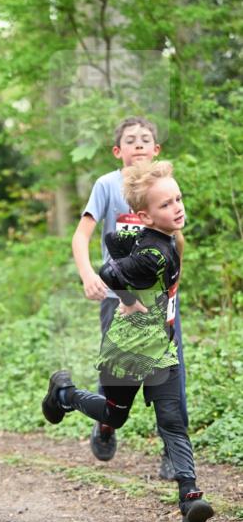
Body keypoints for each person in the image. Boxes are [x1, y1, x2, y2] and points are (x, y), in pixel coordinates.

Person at [43, 160, 213, 522]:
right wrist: (128, 300)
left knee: (171, 419)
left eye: (178, 198)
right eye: (165, 205)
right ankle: (64, 394)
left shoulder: (162, 239)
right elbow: (107, 270)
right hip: (129, 351)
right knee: (114, 414)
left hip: (160, 349)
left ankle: (189, 494)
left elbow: (112, 240)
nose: (177, 207)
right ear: (145, 216)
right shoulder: (154, 254)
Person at [71, 117, 188, 478]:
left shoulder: (164, 189)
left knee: (171, 370)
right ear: (118, 151)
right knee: (120, 371)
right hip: (118, 296)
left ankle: (172, 449)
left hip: (161, 302)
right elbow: (82, 236)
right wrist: (90, 275)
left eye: (146, 139)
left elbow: (178, 239)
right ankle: (106, 423)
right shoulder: (107, 185)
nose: (139, 145)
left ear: (157, 150)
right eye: (131, 140)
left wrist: (175, 283)